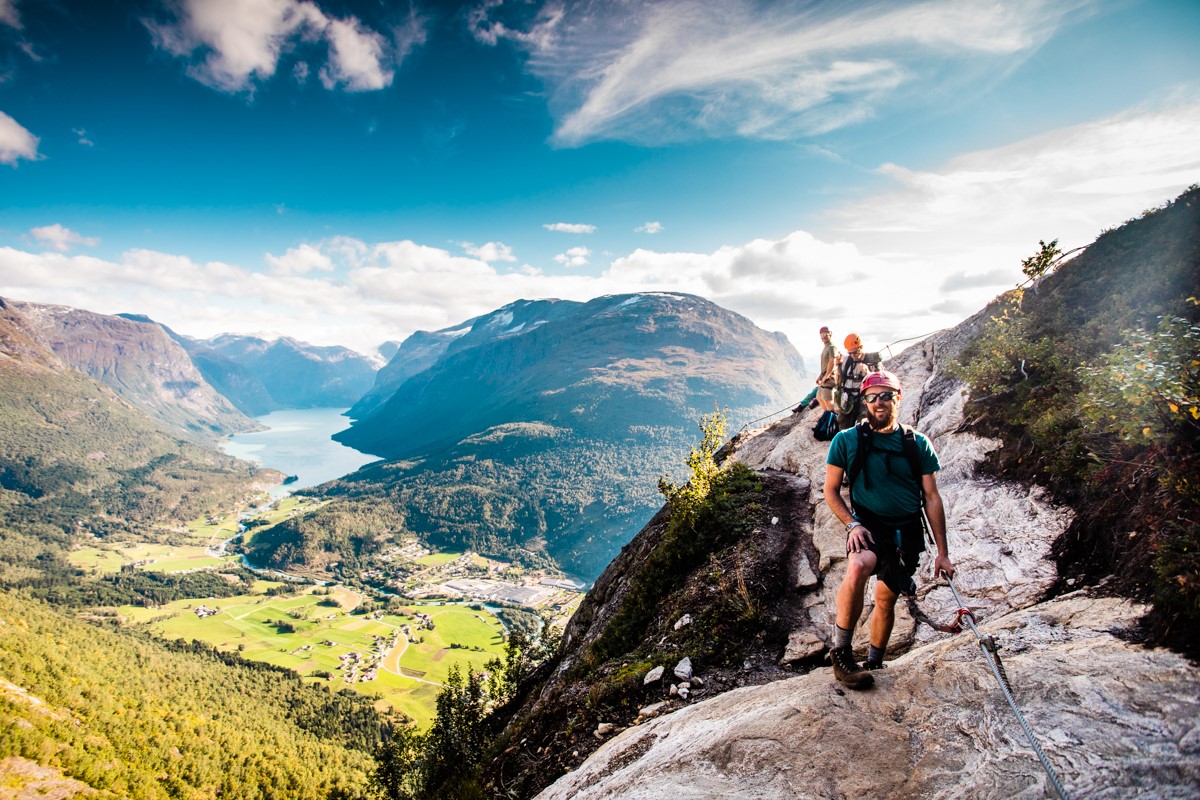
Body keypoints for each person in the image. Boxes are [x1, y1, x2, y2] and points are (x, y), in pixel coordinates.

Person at [822, 370, 954, 689]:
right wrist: (852, 524)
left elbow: (932, 498)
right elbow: (830, 490)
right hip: (869, 526)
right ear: (864, 402)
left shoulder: (917, 444)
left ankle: (875, 660)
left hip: (907, 532)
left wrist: (943, 554)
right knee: (858, 566)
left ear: (898, 397)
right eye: (871, 397)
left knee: (886, 598)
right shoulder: (846, 440)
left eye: (885, 396)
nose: (878, 402)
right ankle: (841, 654)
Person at [834, 333, 882, 428]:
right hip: (848, 400)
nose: (853, 355)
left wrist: (867, 372)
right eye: (850, 353)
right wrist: (838, 366)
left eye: (855, 352)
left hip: (864, 401)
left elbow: (880, 383)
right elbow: (840, 380)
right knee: (843, 428)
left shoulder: (872, 361)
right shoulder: (847, 361)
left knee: (864, 427)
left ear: (861, 347)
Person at [815, 326, 838, 412]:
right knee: (819, 397)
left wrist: (827, 376)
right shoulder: (826, 347)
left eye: (826, 334)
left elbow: (832, 361)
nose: (824, 336)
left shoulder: (831, 347)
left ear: (830, 334)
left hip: (830, 378)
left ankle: (832, 420)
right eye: (822, 334)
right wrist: (820, 377)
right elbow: (825, 365)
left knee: (829, 401)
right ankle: (827, 415)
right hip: (825, 377)